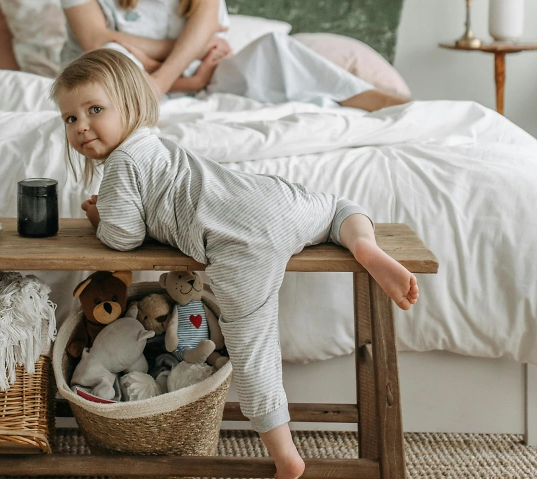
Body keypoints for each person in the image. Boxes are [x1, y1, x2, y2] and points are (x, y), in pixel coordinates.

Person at [51, 48, 419, 479]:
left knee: (253, 352)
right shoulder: (154, 144)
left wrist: (99, 219)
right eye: (70, 119)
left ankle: (285, 457)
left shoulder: (119, 165)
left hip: (237, 244)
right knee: (338, 207)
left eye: (95, 110)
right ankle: (364, 247)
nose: (82, 127)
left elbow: (124, 238)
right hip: (272, 199)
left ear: (132, 105)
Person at [60, 0, 410, 112]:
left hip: (202, 75)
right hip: (128, 79)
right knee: (114, 53)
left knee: (272, 48)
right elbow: (95, 39)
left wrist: (166, 76)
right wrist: (188, 53)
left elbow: (207, 26)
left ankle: (371, 99)